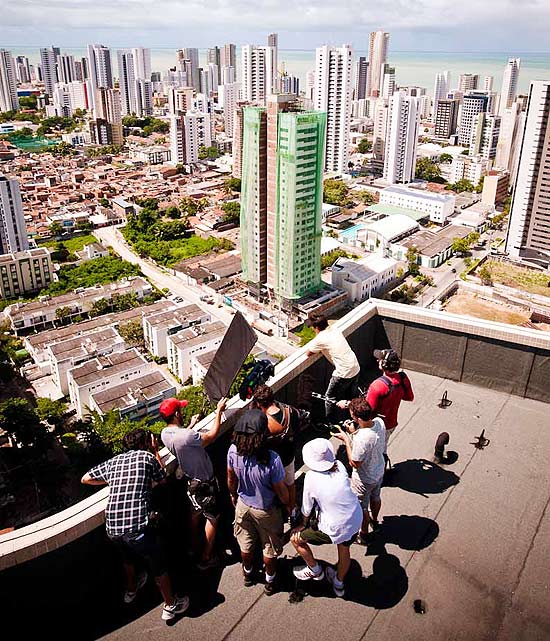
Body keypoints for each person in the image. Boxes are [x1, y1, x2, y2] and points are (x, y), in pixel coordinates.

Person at [81, 429, 189, 621]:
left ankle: (131, 590)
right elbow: (162, 478)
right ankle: (170, 605)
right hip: (137, 527)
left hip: (112, 528)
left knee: (127, 559)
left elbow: (86, 478)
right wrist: (156, 451)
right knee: (158, 565)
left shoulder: (114, 461)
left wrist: (114, 482)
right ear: (145, 443)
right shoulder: (147, 457)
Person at [227, 408, 290, 595]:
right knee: (269, 548)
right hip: (266, 509)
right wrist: (288, 504)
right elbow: (281, 491)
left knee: (245, 543)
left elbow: (231, 479)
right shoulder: (272, 459)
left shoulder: (233, 451)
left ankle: (247, 573)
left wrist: (233, 495)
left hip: (243, 505)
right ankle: (270, 581)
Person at [160, 396, 227, 570]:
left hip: (190, 482)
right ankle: (205, 557)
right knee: (213, 518)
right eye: (180, 410)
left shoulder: (165, 434)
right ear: (176, 414)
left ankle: (192, 548)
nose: (182, 412)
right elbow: (211, 436)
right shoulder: (188, 436)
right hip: (204, 482)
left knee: (194, 516)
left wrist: (191, 425)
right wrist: (219, 410)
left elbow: (182, 439)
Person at [291, 438, 362, 598]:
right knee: (344, 550)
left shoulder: (311, 477)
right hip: (354, 518)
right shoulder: (340, 467)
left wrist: (302, 525)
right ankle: (338, 583)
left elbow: (307, 508)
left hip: (333, 526)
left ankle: (314, 569)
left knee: (296, 539)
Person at [337, 348, 414, 458]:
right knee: (382, 447)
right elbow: (409, 397)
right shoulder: (403, 378)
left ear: (383, 364)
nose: (377, 361)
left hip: (376, 426)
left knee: (370, 451)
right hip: (391, 424)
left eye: (380, 360)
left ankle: (374, 469)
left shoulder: (377, 385)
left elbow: (366, 411)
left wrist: (348, 404)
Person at [334, 397, 386, 543]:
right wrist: (354, 433)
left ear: (356, 418)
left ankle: (363, 534)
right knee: (376, 497)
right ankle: (374, 520)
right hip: (379, 470)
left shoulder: (362, 438)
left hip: (364, 479)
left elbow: (354, 463)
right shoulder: (380, 423)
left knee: (362, 507)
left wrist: (346, 439)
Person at [252, 384, 300, 522]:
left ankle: (282, 510)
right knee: (291, 484)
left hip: (273, 461)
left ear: (259, 403)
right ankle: (292, 509)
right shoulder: (290, 411)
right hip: (289, 456)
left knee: (277, 487)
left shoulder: (264, 423)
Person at [305, 312, 360, 421]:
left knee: (329, 398)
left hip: (343, 373)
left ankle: (330, 422)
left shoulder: (320, 338)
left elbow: (308, 353)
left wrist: (318, 339)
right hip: (355, 367)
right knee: (352, 395)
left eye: (312, 327)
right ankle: (357, 415)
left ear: (316, 328)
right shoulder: (335, 329)